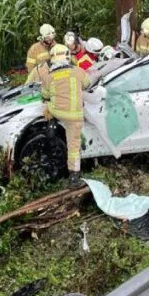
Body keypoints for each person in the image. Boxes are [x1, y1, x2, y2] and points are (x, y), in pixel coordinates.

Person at [40, 44, 92, 188]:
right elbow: (88, 84)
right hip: (74, 116)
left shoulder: (49, 76)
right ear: (68, 57)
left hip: (57, 111)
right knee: (73, 146)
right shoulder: (78, 72)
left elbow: (45, 95)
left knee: (48, 107)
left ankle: (52, 124)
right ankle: (74, 178)